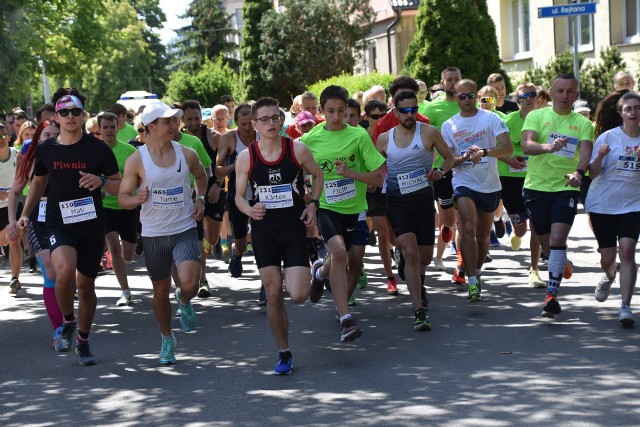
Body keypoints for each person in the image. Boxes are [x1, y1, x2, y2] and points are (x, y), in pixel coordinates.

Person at [17, 90, 122, 365]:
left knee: (86, 287)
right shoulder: (47, 148)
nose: (70, 117)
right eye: (64, 112)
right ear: (56, 117)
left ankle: (84, 341)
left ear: (83, 115)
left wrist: (101, 181)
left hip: (90, 223)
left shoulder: (98, 149)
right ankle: (68, 320)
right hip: (58, 220)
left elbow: (119, 184)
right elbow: (38, 183)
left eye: (76, 112)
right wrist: (25, 214)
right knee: (63, 271)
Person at [234, 97, 323, 374]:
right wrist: (250, 208)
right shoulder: (247, 156)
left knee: (297, 295)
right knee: (273, 292)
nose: (270, 123)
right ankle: (283, 352)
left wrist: (313, 203)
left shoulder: (297, 149)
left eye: (275, 118)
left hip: (294, 227)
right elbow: (237, 196)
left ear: (282, 120)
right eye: (264, 120)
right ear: (255, 124)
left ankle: (318, 274)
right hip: (264, 231)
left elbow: (318, 176)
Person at [118, 102, 207, 365]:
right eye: (167, 121)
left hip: (184, 227)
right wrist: (137, 199)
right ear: (152, 127)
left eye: (174, 120)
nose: (173, 125)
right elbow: (123, 197)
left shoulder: (186, 153)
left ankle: (185, 299)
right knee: (160, 291)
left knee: (190, 282)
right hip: (155, 232)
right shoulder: (137, 159)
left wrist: (199, 198)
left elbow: (202, 176)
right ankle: (167, 338)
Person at [302, 85, 385, 342]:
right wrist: (308, 195)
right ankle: (345, 318)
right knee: (339, 254)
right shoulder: (309, 140)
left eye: (341, 111)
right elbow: (296, 171)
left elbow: (380, 178)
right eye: (330, 111)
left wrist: (351, 174)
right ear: (321, 111)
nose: (336, 117)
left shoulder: (358, 136)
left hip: (354, 209)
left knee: (342, 258)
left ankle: (319, 272)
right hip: (326, 206)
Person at [376, 90, 454, 330]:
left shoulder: (428, 132)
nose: (410, 115)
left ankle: (418, 281)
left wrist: (440, 171)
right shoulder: (384, 139)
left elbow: (448, 157)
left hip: (423, 200)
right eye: (405, 111)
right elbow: (376, 169)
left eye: (414, 110)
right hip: (397, 201)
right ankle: (418, 308)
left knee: (425, 258)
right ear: (396, 111)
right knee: (410, 252)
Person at [522, 74, 594, 317]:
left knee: (558, 237)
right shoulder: (536, 116)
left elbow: (585, 155)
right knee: (547, 245)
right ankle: (562, 263)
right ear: (552, 93)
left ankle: (551, 294)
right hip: (536, 188)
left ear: (576, 95)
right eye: (560, 91)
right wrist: (549, 147)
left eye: (570, 92)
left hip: (566, 187)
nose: (565, 96)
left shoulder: (583, 123)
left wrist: (578, 172)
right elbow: (527, 145)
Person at [441, 79, 513, 301]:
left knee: (482, 236)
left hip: (489, 184)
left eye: (471, 96)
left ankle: (478, 272)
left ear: (477, 96)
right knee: (468, 227)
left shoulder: (490, 118)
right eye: (461, 96)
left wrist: (483, 152)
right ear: (455, 97)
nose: (467, 101)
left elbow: (507, 147)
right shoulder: (449, 125)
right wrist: (463, 157)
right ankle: (471, 280)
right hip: (464, 181)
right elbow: (448, 160)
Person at [7, 119, 63, 344]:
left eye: (55, 134)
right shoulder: (29, 160)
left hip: (65, 216)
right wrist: (13, 221)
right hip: (37, 217)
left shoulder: (70, 155)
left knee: (66, 273)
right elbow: (15, 192)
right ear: (38, 137)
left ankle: (68, 318)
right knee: (50, 271)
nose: (51, 138)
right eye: (46, 134)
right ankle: (59, 328)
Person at [586, 91, 640, 325]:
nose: (633, 113)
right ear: (620, 113)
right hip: (603, 203)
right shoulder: (608, 138)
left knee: (627, 251)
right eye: (628, 109)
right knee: (608, 257)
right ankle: (609, 276)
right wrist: (599, 156)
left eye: (637, 108)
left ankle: (625, 307)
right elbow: (593, 173)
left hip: (633, 204)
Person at [498, 82, 544, 287]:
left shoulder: (546, 120)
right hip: (510, 180)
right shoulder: (508, 120)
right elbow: (497, 148)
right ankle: (515, 234)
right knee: (521, 230)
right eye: (524, 96)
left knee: (537, 226)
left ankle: (534, 270)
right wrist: (510, 160)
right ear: (518, 101)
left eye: (532, 94)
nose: (529, 98)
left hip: (536, 179)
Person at [181, 100, 222, 297]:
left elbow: (219, 165)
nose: (194, 122)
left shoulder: (212, 137)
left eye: (197, 117)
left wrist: (217, 185)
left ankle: (210, 236)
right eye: (189, 119)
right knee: (198, 240)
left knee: (212, 239)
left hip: (213, 187)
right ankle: (203, 279)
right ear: (183, 120)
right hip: (190, 196)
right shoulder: (177, 139)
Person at [423, 67, 462, 274]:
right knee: (449, 220)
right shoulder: (432, 109)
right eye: (450, 79)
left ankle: (460, 265)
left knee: (464, 218)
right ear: (442, 82)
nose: (454, 83)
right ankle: (444, 239)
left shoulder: (467, 106)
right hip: (441, 170)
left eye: (457, 79)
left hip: (467, 169)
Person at [97, 112, 137, 306]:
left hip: (128, 205)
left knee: (128, 255)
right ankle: (125, 291)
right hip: (106, 207)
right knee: (113, 247)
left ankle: (134, 243)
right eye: (105, 127)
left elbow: (138, 176)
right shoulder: (94, 152)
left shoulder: (129, 151)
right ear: (99, 129)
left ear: (118, 127)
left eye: (112, 127)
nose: (109, 131)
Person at [216, 104, 256, 278]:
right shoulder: (229, 139)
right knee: (240, 241)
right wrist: (238, 164)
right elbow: (217, 170)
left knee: (262, 236)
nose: (247, 128)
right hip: (236, 194)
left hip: (261, 193)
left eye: (250, 124)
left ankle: (266, 282)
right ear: (236, 122)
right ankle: (237, 255)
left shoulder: (264, 136)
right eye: (243, 124)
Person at [0, 123, 22, 295]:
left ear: (9, 136)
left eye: (3, 135)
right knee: (3, 240)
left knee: (14, 239)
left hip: (12, 205)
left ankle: (15, 278)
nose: (0, 139)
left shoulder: (17, 155)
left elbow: (26, 179)